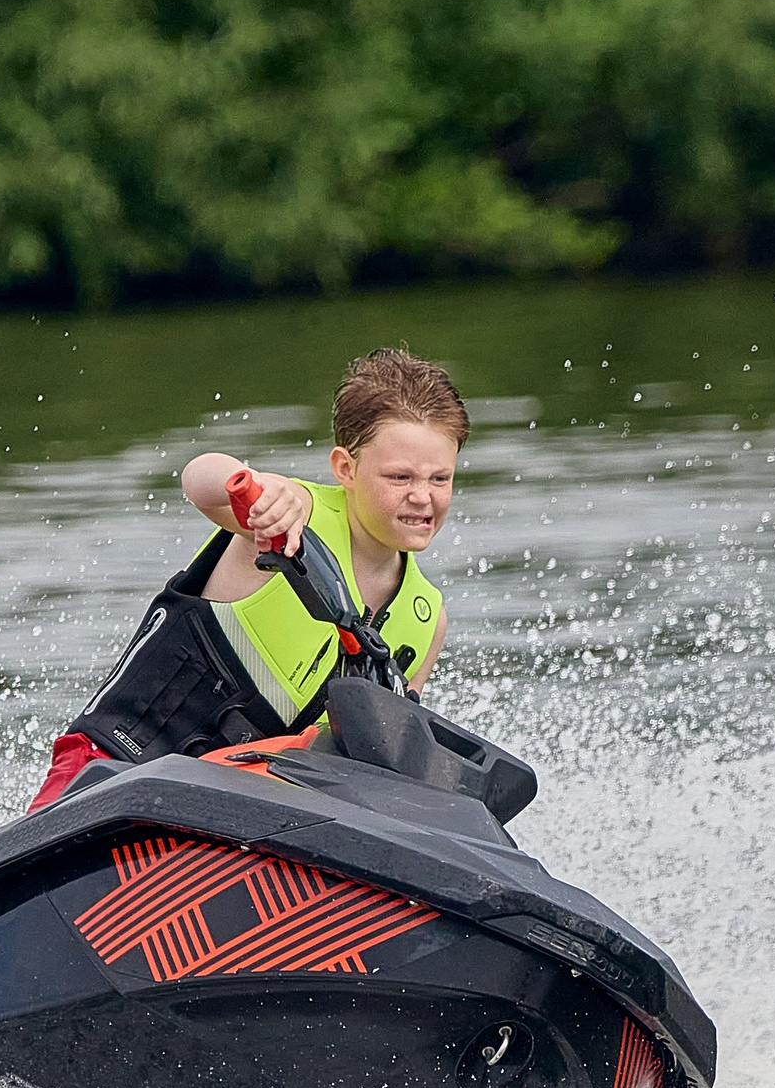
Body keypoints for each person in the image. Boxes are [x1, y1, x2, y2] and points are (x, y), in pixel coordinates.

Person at [29, 347, 464, 811]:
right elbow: (199, 480)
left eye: (440, 478)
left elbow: (384, 759)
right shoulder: (288, 514)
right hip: (112, 768)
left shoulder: (426, 619)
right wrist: (254, 487)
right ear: (345, 468)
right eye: (400, 477)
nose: (422, 497)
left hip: (237, 814)